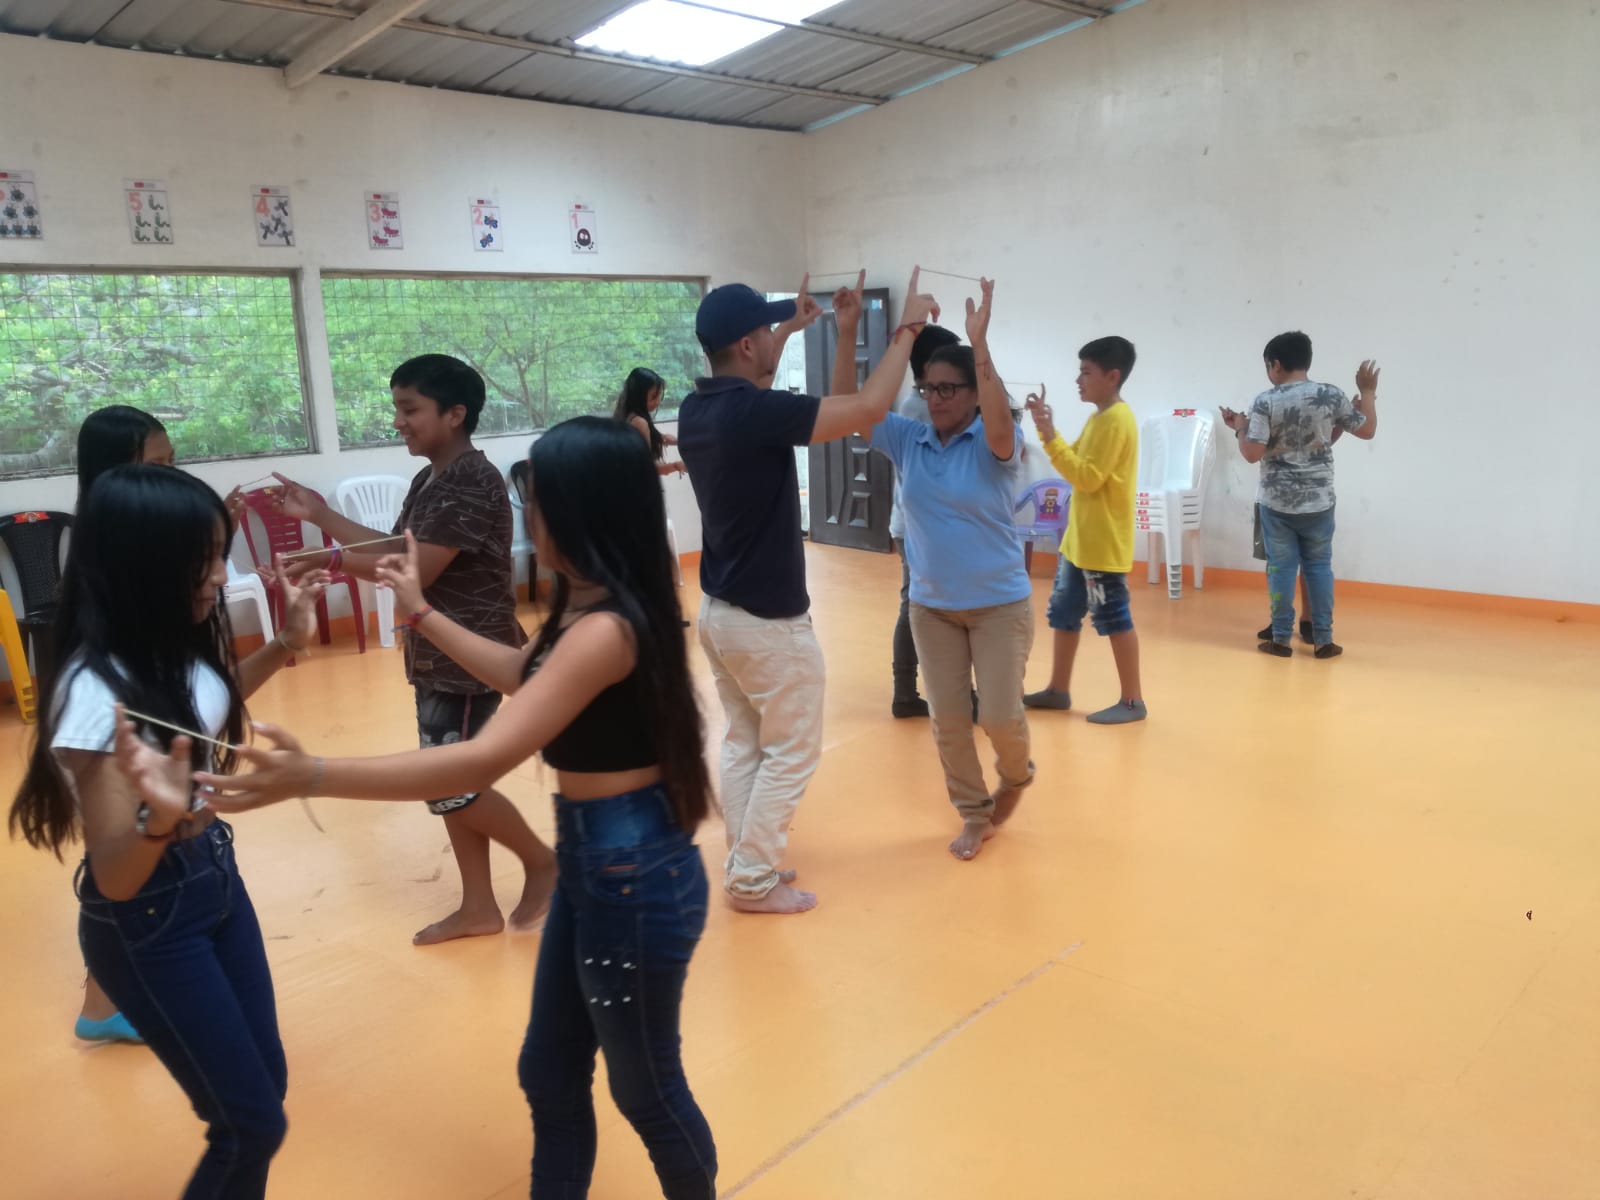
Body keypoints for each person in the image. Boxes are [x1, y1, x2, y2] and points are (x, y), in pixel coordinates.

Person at [123, 418, 718, 1200]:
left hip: (634, 874)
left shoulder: (609, 627)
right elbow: (524, 676)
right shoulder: (587, 609)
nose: (529, 522)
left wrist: (313, 774)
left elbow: (479, 760)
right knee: (548, 1072)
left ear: (584, 516)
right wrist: (421, 610)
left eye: (538, 507)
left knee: (647, 1091)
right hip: (600, 863)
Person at [10, 464, 328, 1198]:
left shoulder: (167, 644)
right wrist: (160, 817)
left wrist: (284, 643)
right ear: (145, 567)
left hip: (213, 879)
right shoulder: (95, 697)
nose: (221, 575)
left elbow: (203, 707)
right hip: (151, 917)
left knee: (264, 1089)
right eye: (206, 559)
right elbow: (118, 879)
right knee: (249, 1125)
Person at [269, 354, 555, 945]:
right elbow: (394, 547)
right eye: (397, 408)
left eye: (410, 409)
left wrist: (329, 559)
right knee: (449, 780)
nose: (398, 421)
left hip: (468, 655)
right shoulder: (433, 478)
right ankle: (479, 905)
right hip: (435, 651)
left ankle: (543, 862)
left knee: (449, 782)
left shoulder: (471, 480)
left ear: (455, 414)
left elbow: (414, 569)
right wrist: (320, 517)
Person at [677, 268, 937, 914]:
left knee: (745, 744)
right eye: (767, 331)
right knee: (791, 752)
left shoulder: (701, 407)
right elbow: (868, 410)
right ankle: (753, 879)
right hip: (768, 623)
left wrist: (823, 331)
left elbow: (796, 400)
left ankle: (747, 860)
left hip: (719, 614)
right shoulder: (755, 414)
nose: (777, 336)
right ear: (747, 345)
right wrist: (906, 328)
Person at [861, 279, 1036, 860]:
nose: (934, 399)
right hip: (931, 606)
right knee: (949, 720)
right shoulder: (910, 439)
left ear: (972, 393)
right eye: (927, 388)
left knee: (1001, 716)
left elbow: (1000, 421)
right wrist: (855, 332)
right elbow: (854, 408)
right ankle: (973, 812)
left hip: (998, 605)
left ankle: (1016, 774)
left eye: (947, 389)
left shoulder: (993, 443)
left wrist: (979, 344)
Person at [1220, 332, 1379, 657]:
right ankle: (1323, 639)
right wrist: (1367, 392)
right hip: (1319, 502)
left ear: (1275, 365)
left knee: (1280, 569)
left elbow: (1252, 453)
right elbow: (1366, 430)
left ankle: (1280, 639)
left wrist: (1240, 427)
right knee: (1319, 568)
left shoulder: (1265, 401)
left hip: (1277, 505)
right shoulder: (1330, 395)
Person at [1023, 337, 1147, 724]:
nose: (1079, 380)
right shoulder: (1098, 418)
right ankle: (1058, 689)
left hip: (1100, 549)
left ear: (1112, 377)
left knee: (1113, 617)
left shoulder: (1116, 421)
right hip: (1079, 544)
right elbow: (1074, 457)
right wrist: (1047, 429)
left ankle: (1132, 701)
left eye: (1086, 372)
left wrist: (1049, 438)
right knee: (1063, 612)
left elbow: (1087, 477)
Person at [886, 325, 961, 719]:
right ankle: (909, 691)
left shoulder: (917, 404)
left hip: (919, 523)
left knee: (922, 603)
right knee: (922, 605)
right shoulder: (919, 407)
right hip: (919, 526)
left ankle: (909, 691)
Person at [614, 367, 687, 479]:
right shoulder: (639, 422)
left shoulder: (624, 414)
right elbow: (648, 468)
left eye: (659, 395)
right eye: (653, 397)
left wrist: (674, 440)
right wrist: (677, 465)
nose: (658, 401)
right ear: (638, 396)